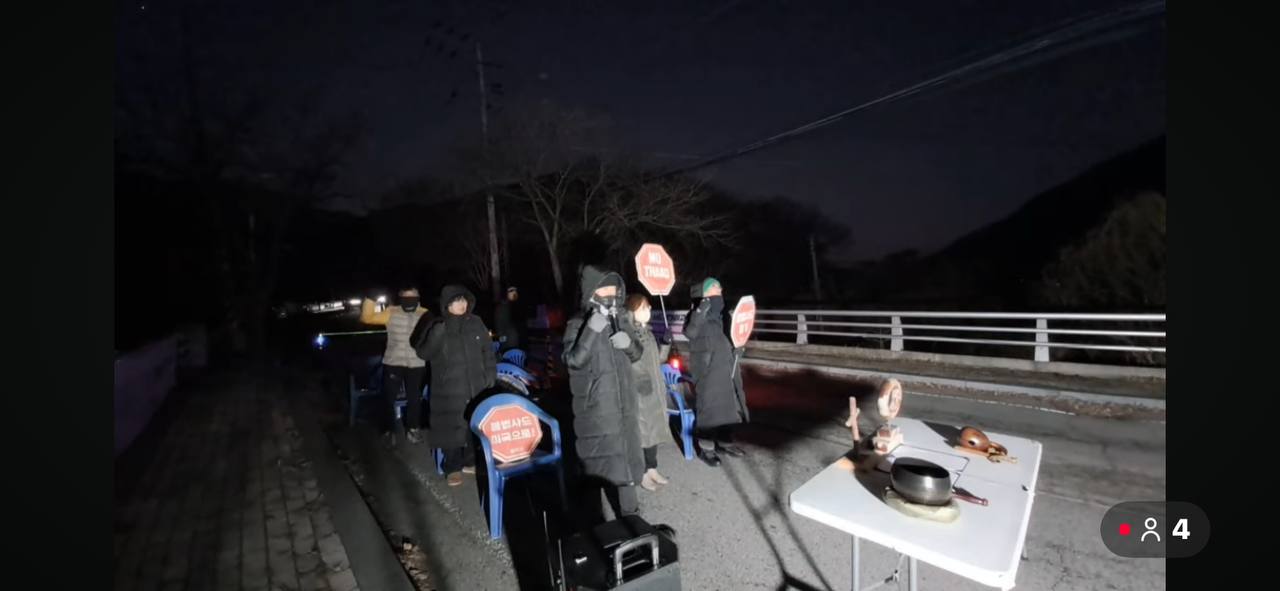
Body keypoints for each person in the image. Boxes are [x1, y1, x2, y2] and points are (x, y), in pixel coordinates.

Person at [563, 265, 645, 517]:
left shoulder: (621, 318)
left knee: (626, 462)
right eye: (604, 289)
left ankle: (631, 517)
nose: (610, 294)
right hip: (597, 406)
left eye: (614, 289)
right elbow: (572, 360)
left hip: (624, 404)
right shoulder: (577, 322)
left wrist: (629, 344)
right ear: (591, 291)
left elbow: (636, 353)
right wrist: (590, 331)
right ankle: (592, 520)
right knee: (598, 463)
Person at [417, 285, 497, 486]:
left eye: (463, 300)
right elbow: (424, 353)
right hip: (448, 389)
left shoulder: (476, 322)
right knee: (450, 427)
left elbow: (487, 350)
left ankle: (470, 461)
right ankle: (452, 467)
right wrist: (436, 333)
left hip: (476, 385)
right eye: (456, 301)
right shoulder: (437, 324)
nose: (462, 304)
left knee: (473, 425)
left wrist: (490, 373)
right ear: (447, 305)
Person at [682, 277, 750, 467]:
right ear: (703, 293)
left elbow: (733, 337)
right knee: (709, 410)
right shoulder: (696, 314)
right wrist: (700, 310)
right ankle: (706, 449)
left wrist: (737, 349)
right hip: (707, 371)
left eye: (719, 286)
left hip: (726, 367)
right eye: (713, 287)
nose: (719, 289)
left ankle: (725, 443)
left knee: (729, 408)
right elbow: (690, 332)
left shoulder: (723, 315)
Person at [360, 288, 431, 446]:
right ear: (400, 298)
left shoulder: (425, 314)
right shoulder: (391, 312)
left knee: (415, 398)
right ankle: (387, 430)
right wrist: (370, 300)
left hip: (417, 362)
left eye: (413, 296)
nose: (410, 299)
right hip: (393, 362)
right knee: (388, 397)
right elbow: (367, 318)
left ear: (418, 297)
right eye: (406, 297)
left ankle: (413, 429)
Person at [619, 294, 673, 491]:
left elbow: (658, 360)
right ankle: (641, 473)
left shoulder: (647, 333)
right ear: (631, 311)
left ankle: (652, 468)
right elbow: (629, 362)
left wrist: (665, 343)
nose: (648, 311)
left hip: (655, 391)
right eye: (643, 308)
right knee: (642, 434)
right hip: (640, 392)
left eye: (648, 307)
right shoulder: (627, 334)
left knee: (653, 433)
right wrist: (641, 381)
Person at [494, 286, 526, 353]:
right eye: (511, 291)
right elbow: (500, 325)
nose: (514, 293)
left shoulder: (515, 306)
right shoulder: (502, 307)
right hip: (509, 341)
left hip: (516, 340)